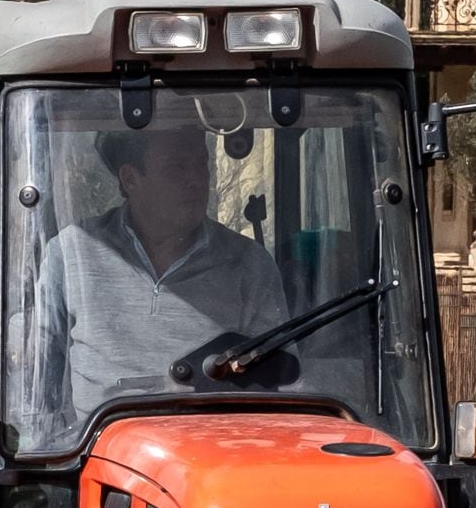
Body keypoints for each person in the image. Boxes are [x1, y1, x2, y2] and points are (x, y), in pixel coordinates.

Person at [26, 124, 285, 435]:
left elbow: (283, 387)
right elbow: (35, 381)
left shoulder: (249, 264)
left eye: (201, 164)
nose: (197, 181)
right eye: (176, 168)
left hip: (213, 456)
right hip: (96, 459)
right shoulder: (71, 253)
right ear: (131, 179)